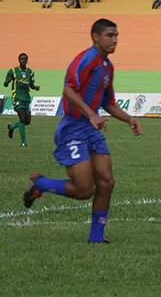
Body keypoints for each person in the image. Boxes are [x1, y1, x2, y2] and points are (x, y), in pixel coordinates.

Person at [22, 19, 143, 244]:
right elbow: (68, 90)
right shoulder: (86, 59)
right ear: (95, 37)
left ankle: (96, 238)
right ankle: (40, 183)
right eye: (109, 35)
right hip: (72, 128)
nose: (114, 39)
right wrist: (91, 114)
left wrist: (130, 119)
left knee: (107, 181)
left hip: (91, 128)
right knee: (84, 190)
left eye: (116, 35)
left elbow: (109, 103)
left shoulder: (108, 67)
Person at [4, 53, 40, 147]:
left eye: (25, 59)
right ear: (19, 60)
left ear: (27, 60)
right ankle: (23, 143)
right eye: (22, 59)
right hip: (17, 97)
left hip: (26, 98)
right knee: (22, 118)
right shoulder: (13, 71)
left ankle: (12, 127)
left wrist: (35, 87)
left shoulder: (30, 72)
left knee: (27, 121)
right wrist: (7, 82)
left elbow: (31, 85)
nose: (23, 60)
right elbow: (5, 82)